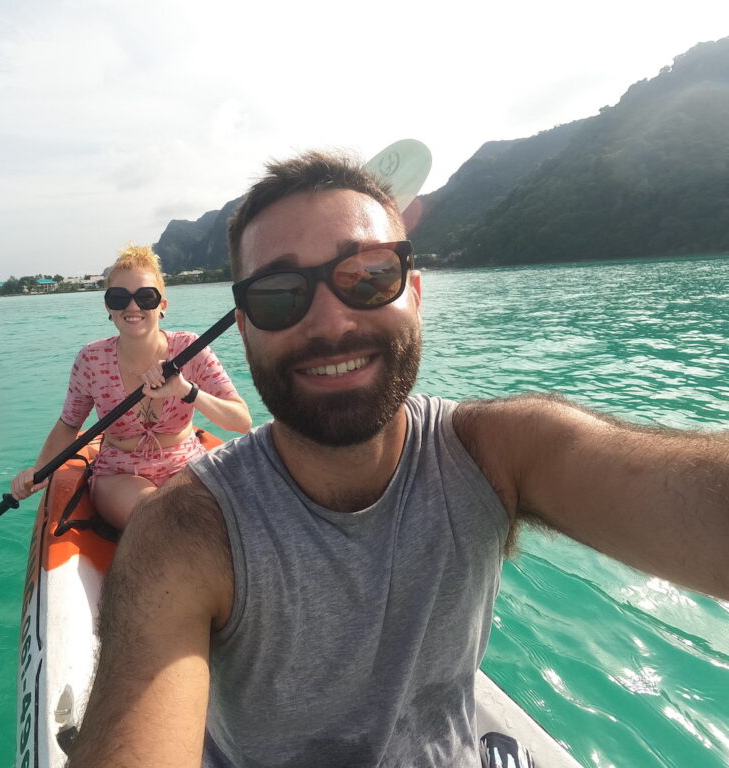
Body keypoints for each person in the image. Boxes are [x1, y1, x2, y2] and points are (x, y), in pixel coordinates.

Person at [66, 152, 728, 767]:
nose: (330, 323)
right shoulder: (184, 535)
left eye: (369, 276)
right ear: (245, 325)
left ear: (413, 289)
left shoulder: (501, 453)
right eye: (277, 293)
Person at [10, 244, 251, 529]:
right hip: (120, 473)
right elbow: (69, 424)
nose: (133, 307)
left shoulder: (190, 348)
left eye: (146, 297)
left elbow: (242, 421)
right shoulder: (91, 359)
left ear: (162, 306)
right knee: (157, 518)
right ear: (108, 307)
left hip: (184, 464)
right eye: (119, 297)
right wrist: (38, 472)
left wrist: (186, 391)